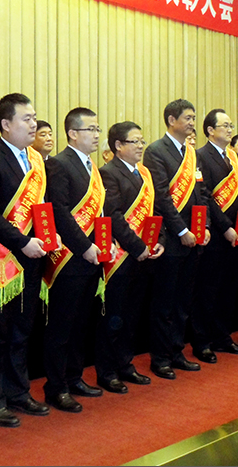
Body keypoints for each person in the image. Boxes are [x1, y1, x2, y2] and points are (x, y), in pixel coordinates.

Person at [0, 94, 51, 428]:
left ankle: (18, 392)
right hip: (1, 259)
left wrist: (50, 236)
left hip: (33, 257)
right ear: (6, 124)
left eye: (34, 118)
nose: (33, 124)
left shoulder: (36, 160)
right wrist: (22, 241)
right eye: (26, 119)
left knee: (22, 330)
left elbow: (42, 206)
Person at [43, 107, 113, 412]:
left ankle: (74, 377)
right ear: (73, 133)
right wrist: (84, 246)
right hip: (69, 259)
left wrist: (102, 245)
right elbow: (59, 212)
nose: (97, 135)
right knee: (62, 327)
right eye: (90, 130)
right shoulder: (59, 164)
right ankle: (56, 387)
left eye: (98, 129)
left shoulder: (91, 166)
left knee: (81, 323)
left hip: (92, 257)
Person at [143, 99, 211, 379]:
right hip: (171, 239)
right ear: (172, 120)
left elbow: (202, 193)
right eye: (188, 118)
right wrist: (182, 231)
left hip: (194, 238)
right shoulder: (156, 151)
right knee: (165, 303)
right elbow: (161, 197)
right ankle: (160, 358)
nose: (192, 122)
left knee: (183, 302)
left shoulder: (192, 154)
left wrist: (204, 226)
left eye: (194, 118)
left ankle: (176, 351)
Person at [96, 121, 164, 393]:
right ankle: (107, 371)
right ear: (118, 146)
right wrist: (137, 246)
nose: (140, 146)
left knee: (132, 316)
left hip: (144, 256)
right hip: (121, 258)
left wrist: (159, 241)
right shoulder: (108, 173)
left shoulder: (144, 173)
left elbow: (155, 211)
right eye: (135, 141)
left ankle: (125, 363)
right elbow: (113, 216)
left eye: (142, 141)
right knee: (113, 317)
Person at [191, 109, 238, 362]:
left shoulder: (234, 157)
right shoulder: (200, 156)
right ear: (210, 130)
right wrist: (226, 227)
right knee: (208, 290)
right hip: (216, 235)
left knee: (229, 289)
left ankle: (222, 336)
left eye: (231, 126)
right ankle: (202, 341)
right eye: (225, 126)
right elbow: (205, 197)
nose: (229, 130)